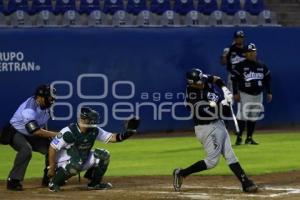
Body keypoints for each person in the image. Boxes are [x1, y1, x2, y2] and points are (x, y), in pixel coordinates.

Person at [172, 68, 258, 193]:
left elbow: (216, 79)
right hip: (206, 128)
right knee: (212, 162)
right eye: (198, 82)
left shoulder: (203, 79)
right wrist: (224, 105)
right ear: (191, 83)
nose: (201, 83)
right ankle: (181, 173)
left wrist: (225, 89)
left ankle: (245, 182)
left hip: (219, 124)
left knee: (230, 156)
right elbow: (211, 113)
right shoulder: (193, 97)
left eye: (202, 80)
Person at [47, 107, 140, 192]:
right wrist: (52, 167)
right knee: (76, 163)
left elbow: (112, 137)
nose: (93, 122)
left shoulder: (94, 130)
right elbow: (52, 148)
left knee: (104, 155)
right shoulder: (68, 132)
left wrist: (127, 134)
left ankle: (95, 184)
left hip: (81, 160)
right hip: (63, 163)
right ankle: (53, 183)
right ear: (83, 120)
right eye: (90, 120)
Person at [2, 84, 58, 191]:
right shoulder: (29, 108)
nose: (51, 100)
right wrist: (57, 135)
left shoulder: (47, 108)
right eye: (49, 97)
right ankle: (13, 181)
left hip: (32, 135)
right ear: (40, 97)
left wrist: (52, 140)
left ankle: (49, 178)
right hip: (16, 132)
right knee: (26, 150)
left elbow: (43, 126)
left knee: (53, 147)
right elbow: (35, 131)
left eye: (52, 98)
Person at [231, 43, 272, 145]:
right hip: (245, 94)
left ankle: (249, 137)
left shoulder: (261, 66)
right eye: (249, 52)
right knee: (242, 115)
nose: (251, 54)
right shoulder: (240, 66)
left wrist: (269, 92)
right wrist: (235, 93)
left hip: (258, 95)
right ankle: (239, 137)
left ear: (256, 53)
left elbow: (267, 79)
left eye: (253, 51)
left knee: (253, 116)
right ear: (245, 54)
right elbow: (234, 80)